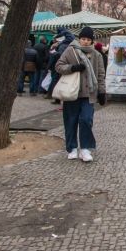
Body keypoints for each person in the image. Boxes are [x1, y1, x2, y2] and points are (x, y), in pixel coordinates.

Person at [55, 26, 106, 162]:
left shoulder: (97, 55)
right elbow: (58, 66)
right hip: (72, 92)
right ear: (79, 39)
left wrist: (102, 91)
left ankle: (85, 148)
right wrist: (73, 68)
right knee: (70, 121)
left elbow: (100, 74)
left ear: (92, 41)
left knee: (86, 120)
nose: (85, 41)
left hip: (89, 94)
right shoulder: (70, 50)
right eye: (83, 39)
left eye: (88, 39)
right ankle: (72, 148)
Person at [47, 29, 75, 103]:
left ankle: (55, 97)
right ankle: (58, 97)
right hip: (67, 66)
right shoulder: (69, 45)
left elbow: (59, 55)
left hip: (60, 66)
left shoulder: (63, 45)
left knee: (56, 81)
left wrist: (53, 53)